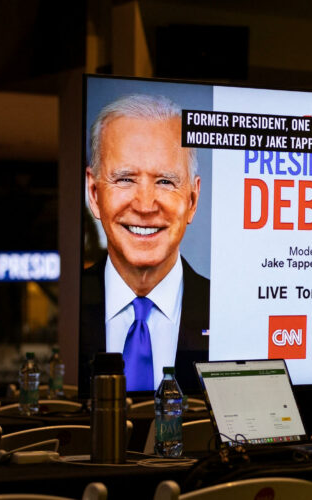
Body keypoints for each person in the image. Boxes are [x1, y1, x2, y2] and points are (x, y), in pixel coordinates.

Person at [79, 94, 209, 394]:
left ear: (192, 199)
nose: (145, 205)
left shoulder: (227, 313)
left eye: (165, 181)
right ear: (94, 193)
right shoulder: (68, 312)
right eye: (125, 179)